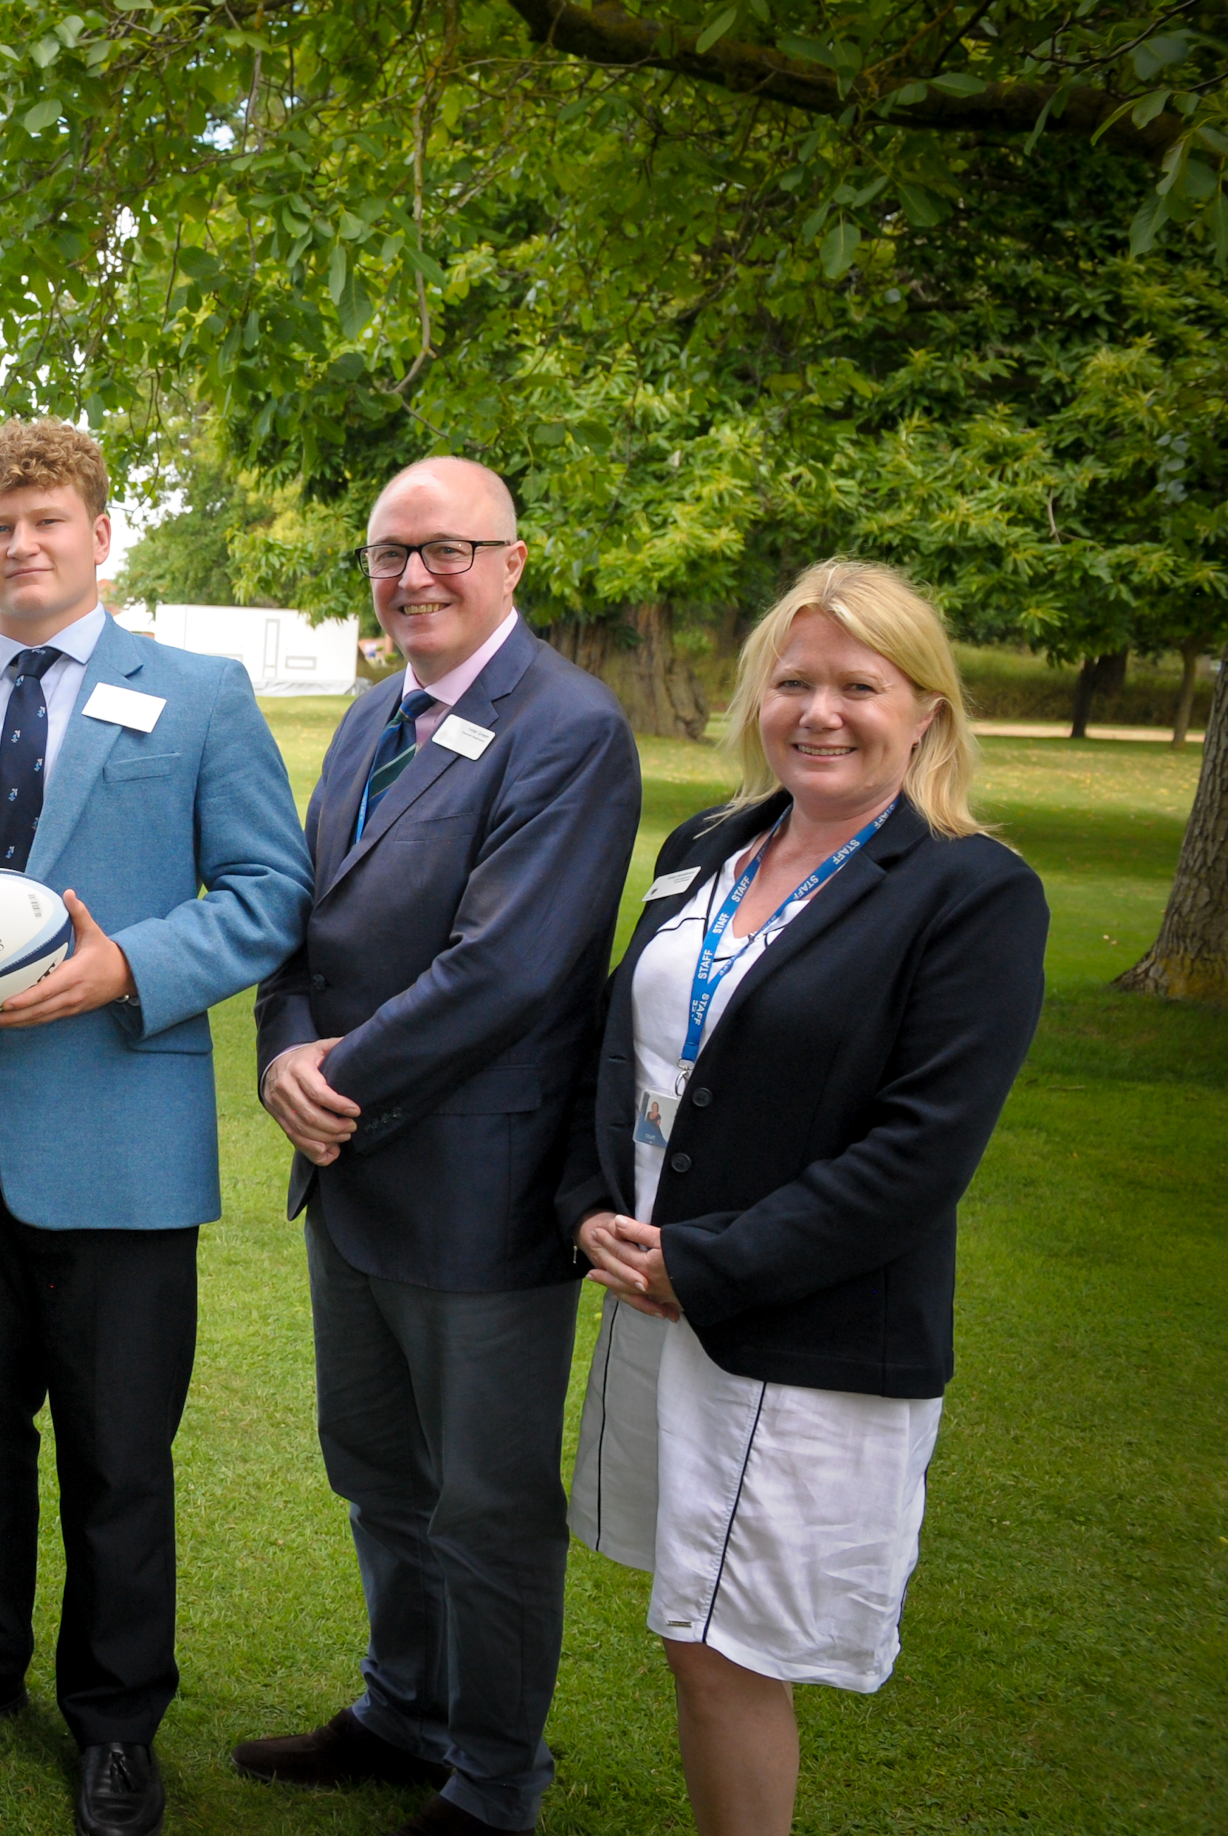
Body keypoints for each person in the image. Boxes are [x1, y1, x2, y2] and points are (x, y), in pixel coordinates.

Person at [0, 419, 310, 1836]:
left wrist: (129, 967)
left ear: (103, 534)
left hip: (123, 1150)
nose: (21, 545)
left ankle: (115, 1720)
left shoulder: (203, 697)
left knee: (116, 1458)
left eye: (46, 520)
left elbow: (270, 893)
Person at [560, 560, 1044, 1836]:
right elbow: (624, 1050)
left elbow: (919, 1155)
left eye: (858, 686)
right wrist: (591, 1203)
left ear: (927, 711)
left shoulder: (971, 891)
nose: (820, 712)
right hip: (657, 1298)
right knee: (692, 1629)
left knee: (732, 1651)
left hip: (799, 1334)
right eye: (793, 682)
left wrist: (704, 1267)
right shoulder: (707, 846)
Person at [240, 458, 641, 1836]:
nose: (414, 577)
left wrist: (333, 1075)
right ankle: (404, 1712)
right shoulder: (369, 722)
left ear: (514, 561)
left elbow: (512, 969)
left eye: (446, 550)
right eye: (388, 553)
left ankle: (495, 1779)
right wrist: (285, 1047)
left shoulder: (572, 730)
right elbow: (300, 923)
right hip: (352, 1173)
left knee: (486, 1505)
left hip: (479, 1190)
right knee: (377, 1473)